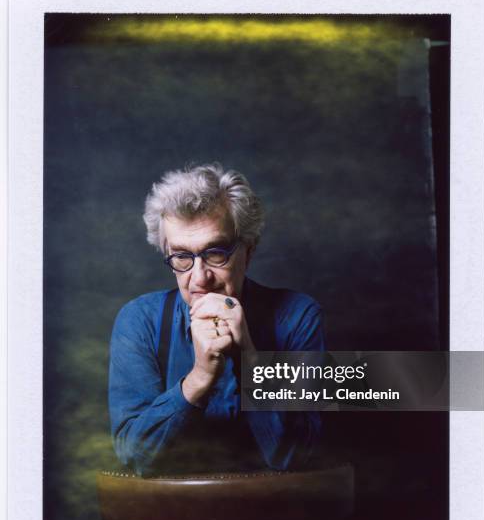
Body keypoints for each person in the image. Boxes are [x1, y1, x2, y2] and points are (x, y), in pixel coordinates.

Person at [109, 163, 326, 477]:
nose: (200, 277)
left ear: (248, 251)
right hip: (168, 519)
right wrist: (199, 378)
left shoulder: (297, 317)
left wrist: (247, 356)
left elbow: (294, 456)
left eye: (216, 253)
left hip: (277, 518)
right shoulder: (139, 321)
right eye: (182, 256)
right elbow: (135, 459)